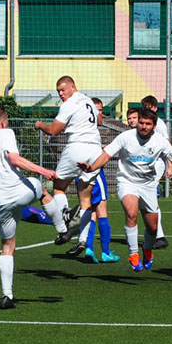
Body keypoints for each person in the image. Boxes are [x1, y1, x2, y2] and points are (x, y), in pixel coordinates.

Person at [79, 108, 172, 271]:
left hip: (148, 185)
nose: (143, 126)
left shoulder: (160, 141)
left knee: (153, 227)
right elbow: (106, 155)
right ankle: (133, 254)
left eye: (148, 124)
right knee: (131, 213)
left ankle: (147, 249)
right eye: (141, 123)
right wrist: (92, 167)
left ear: (154, 125)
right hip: (127, 181)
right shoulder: (126, 137)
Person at [0, 105, 58, 309]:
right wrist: (44, 171)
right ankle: (63, 229)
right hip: (15, 192)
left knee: (7, 246)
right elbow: (14, 159)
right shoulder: (6, 133)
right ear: (3, 122)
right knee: (41, 189)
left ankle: (7, 296)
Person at [34, 76, 102, 246]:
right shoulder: (88, 100)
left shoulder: (69, 104)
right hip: (96, 150)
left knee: (58, 186)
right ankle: (83, 240)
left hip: (77, 147)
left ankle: (65, 219)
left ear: (73, 87)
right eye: (58, 91)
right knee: (85, 197)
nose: (61, 94)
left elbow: (53, 130)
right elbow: (100, 120)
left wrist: (40, 124)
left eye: (63, 90)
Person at [69, 97, 119, 263]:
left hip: (80, 174)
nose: (99, 114)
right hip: (94, 174)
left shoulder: (80, 129)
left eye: (100, 110)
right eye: (96, 110)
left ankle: (89, 247)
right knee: (101, 211)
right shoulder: (92, 132)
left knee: (89, 210)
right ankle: (105, 251)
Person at [140, 95, 170, 249]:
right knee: (145, 199)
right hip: (148, 164)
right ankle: (155, 235)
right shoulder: (144, 123)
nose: (147, 109)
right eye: (145, 107)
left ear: (156, 108)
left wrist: (170, 165)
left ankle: (158, 236)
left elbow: (166, 145)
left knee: (149, 198)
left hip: (157, 164)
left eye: (150, 107)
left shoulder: (159, 124)